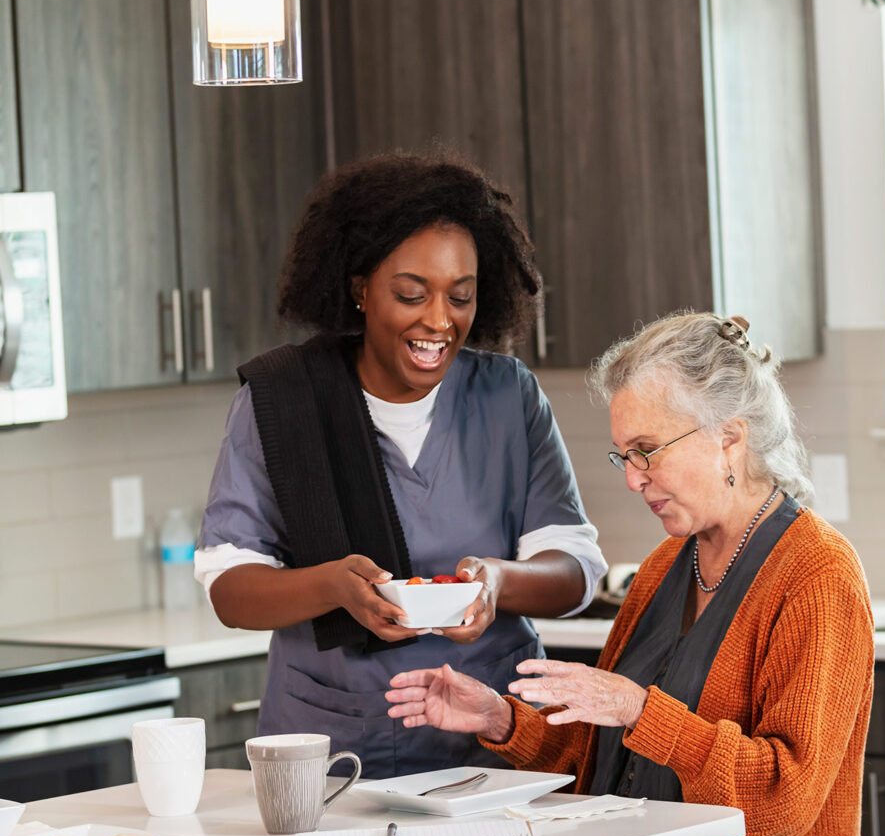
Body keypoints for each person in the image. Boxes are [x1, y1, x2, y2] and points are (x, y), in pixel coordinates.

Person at [386, 311, 874, 836]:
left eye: (648, 450)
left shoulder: (818, 578)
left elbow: (785, 799)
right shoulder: (662, 569)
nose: (632, 478)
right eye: (624, 456)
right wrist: (501, 719)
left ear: (728, 440)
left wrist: (643, 708)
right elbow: (606, 758)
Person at [195, 151, 607, 779]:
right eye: (411, 294)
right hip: (334, 747)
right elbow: (231, 587)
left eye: (460, 297)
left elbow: (575, 568)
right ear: (360, 288)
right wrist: (333, 586)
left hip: (493, 745)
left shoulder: (506, 396)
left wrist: (498, 582)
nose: (439, 321)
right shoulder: (283, 402)